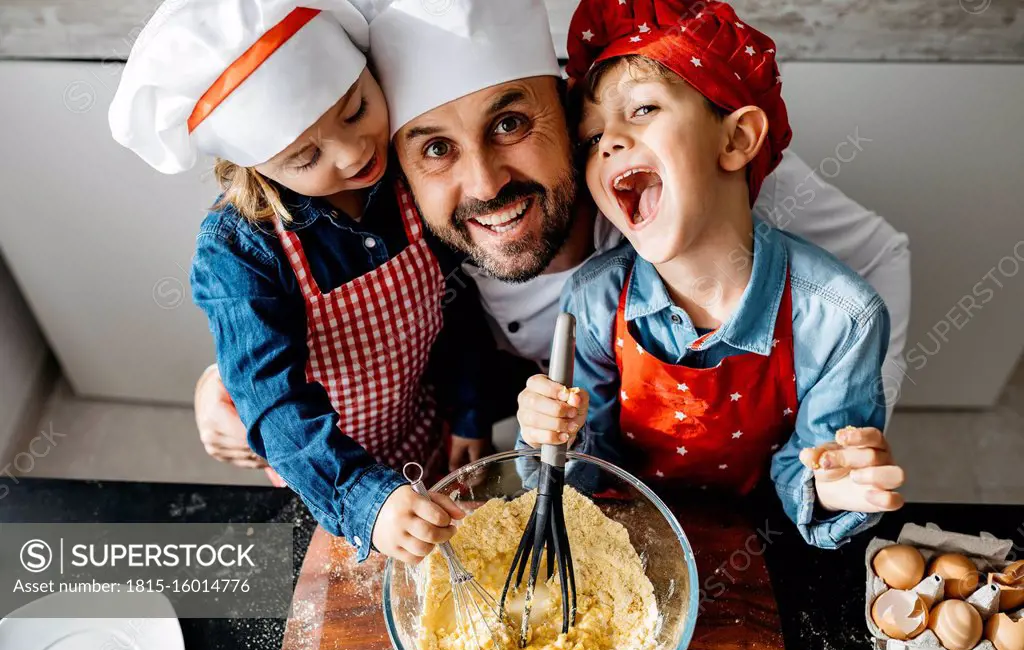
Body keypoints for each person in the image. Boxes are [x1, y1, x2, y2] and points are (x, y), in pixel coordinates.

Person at [194, 0, 909, 522]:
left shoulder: (668, 171)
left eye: (510, 123)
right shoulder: (411, 227)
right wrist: (226, 379)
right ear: (397, 172)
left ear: (571, 116)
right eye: (435, 148)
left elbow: (879, 255)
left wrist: (839, 434)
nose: (484, 185)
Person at [109, 0, 494, 565]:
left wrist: (468, 411)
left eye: (357, 107)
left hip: (422, 428)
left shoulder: (410, 169)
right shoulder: (240, 251)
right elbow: (273, 398)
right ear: (256, 166)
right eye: (307, 155)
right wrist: (364, 500)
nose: (356, 150)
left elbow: (458, 308)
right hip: (320, 468)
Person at [516, 0, 903, 548]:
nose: (609, 142)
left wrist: (832, 488)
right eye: (590, 138)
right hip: (630, 541)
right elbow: (585, 477)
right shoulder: (594, 299)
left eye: (643, 109)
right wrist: (549, 438)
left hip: (759, 545)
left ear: (737, 139)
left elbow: (808, 471)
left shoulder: (841, 320)